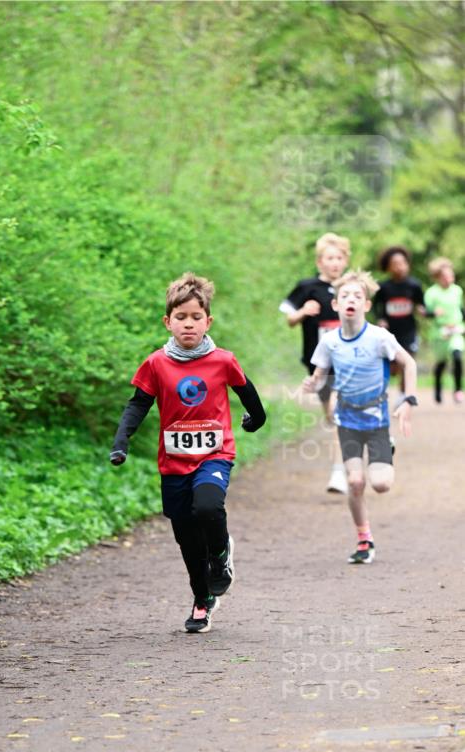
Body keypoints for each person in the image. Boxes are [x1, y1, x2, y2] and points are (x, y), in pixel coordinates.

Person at [110, 272, 266, 634]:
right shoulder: (156, 364)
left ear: (208, 321)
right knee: (186, 535)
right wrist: (122, 441)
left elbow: (248, 393)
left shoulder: (223, 360)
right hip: (174, 462)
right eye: (181, 317)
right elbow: (137, 406)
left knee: (208, 506)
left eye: (196, 317)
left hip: (215, 454)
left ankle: (222, 555)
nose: (189, 324)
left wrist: (255, 420)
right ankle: (201, 599)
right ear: (168, 322)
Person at [303, 270, 418, 565]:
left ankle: (387, 447)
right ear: (336, 305)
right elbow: (319, 376)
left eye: (357, 296)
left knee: (380, 485)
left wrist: (408, 400)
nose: (351, 299)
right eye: (345, 296)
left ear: (366, 305)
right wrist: (311, 385)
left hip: (377, 422)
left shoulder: (380, 337)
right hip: (348, 422)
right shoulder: (329, 342)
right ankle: (364, 538)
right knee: (355, 482)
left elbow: (409, 363)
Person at [279, 232, 351, 494]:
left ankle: (338, 473)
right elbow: (288, 319)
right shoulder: (307, 287)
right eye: (329, 258)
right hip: (318, 364)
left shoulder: (350, 288)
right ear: (320, 262)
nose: (334, 263)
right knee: (332, 416)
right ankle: (366, 436)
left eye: (339, 257)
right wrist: (302, 312)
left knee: (339, 412)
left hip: (349, 363)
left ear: (345, 260)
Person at [373, 245, 425, 396]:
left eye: (403, 263)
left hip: (409, 329)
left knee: (407, 362)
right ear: (388, 267)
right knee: (393, 368)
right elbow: (376, 306)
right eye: (395, 264)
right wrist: (381, 318)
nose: (400, 267)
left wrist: (421, 309)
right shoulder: (383, 287)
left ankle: (403, 396)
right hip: (390, 332)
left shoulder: (414, 285)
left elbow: (421, 303)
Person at [424, 257, 464, 404]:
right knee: (441, 363)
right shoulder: (431, 293)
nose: (449, 279)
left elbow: (460, 309)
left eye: (451, 276)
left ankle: (458, 390)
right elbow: (425, 313)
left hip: (456, 330)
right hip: (440, 332)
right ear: (437, 277)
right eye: (445, 277)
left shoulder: (457, 290)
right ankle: (438, 389)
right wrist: (434, 313)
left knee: (457, 356)